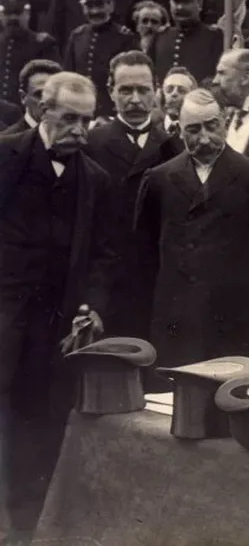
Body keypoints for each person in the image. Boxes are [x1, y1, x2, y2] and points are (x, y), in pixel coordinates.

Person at [0, 72, 114, 541]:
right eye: (69, 119)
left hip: (54, 330)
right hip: (2, 317)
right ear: (43, 111)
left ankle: (28, 529)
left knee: (39, 430)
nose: (79, 131)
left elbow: (106, 255)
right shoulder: (3, 158)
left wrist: (93, 304)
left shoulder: (96, 180)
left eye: (86, 121)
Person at [135, 89, 249, 367]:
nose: (204, 138)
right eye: (193, 130)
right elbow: (143, 260)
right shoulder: (159, 180)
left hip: (238, 321)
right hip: (178, 322)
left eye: (212, 126)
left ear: (225, 121)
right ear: (179, 130)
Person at [85, 51, 180, 339]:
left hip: (160, 283)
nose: (135, 99)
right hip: (109, 285)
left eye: (143, 90)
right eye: (125, 90)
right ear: (111, 92)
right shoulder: (91, 145)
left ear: (157, 91)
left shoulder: (174, 146)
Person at [63, 0, 140, 119]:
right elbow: (68, 76)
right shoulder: (77, 36)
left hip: (110, 113)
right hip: (80, 110)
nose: (94, 11)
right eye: (89, 5)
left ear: (110, 5)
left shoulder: (125, 38)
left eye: (99, 4)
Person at [150, 0, 224, 85]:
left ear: (200, 4)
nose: (180, 7)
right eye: (176, 1)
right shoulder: (160, 36)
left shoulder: (214, 37)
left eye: (186, 2)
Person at [0, 0, 60, 107]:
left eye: (17, 13)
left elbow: (54, 83)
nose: (13, 18)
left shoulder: (43, 44)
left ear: (27, 13)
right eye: (8, 13)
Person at [0, 58, 61, 137]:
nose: (46, 102)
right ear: (23, 97)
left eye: (54, 95)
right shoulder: (4, 143)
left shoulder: (73, 140)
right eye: (40, 95)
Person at [159, 65, 197, 137]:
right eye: (169, 90)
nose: (174, 94)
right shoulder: (150, 131)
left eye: (182, 91)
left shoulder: (199, 134)